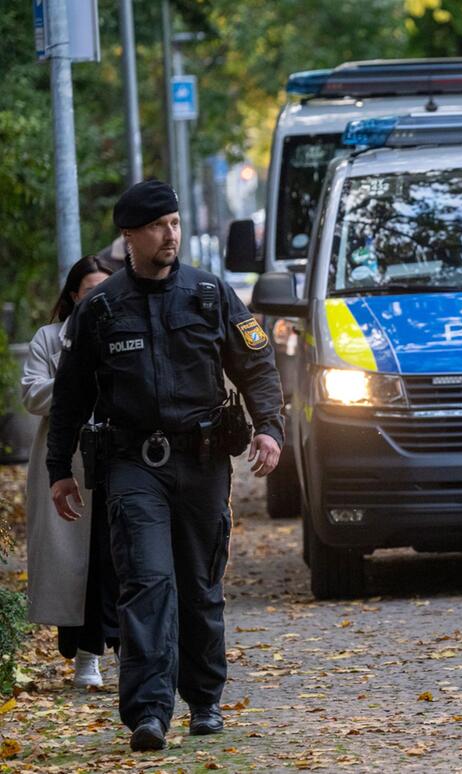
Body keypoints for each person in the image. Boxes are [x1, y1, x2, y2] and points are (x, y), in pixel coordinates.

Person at [46, 180, 284, 751]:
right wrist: (60, 469)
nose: (170, 234)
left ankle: (204, 700)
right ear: (129, 235)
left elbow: (256, 365)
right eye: (157, 226)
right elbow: (70, 396)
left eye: (174, 223)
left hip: (202, 461)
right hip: (132, 464)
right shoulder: (101, 309)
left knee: (200, 584)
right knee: (146, 582)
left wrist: (270, 427)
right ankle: (149, 713)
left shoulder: (210, 294)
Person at [21, 255, 118, 688]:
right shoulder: (48, 339)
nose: (94, 298)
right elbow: (31, 394)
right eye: (88, 290)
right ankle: (85, 658)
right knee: (76, 566)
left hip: (119, 460)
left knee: (114, 560)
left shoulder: (124, 333)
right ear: (73, 295)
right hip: (68, 462)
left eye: (104, 290)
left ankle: (132, 653)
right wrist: (75, 383)